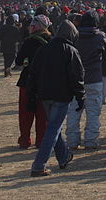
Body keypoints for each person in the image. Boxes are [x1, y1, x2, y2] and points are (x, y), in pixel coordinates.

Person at [27, 20, 83, 177]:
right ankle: (38, 165)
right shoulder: (70, 50)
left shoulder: (44, 49)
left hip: (45, 94)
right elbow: (76, 76)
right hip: (61, 95)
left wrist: (32, 94)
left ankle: (63, 156)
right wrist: (80, 96)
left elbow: (33, 73)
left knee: (53, 127)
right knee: (53, 129)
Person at [66, 10, 106, 150]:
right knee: (93, 112)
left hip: (76, 79)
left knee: (74, 111)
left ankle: (72, 141)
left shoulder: (75, 37)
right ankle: (91, 140)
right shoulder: (100, 37)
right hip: (95, 78)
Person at [14, 15, 50, 149]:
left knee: (26, 112)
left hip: (27, 80)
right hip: (45, 81)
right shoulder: (51, 40)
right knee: (42, 113)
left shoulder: (29, 41)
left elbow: (18, 61)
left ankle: (24, 140)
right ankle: (41, 140)